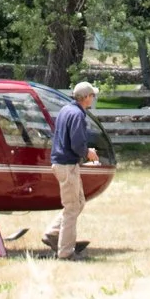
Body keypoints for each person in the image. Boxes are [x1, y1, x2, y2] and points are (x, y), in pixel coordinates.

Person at [43, 82, 100, 259]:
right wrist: (88, 153)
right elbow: (76, 144)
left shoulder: (66, 110)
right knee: (72, 208)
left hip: (63, 164)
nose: (93, 98)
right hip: (67, 165)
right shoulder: (77, 115)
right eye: (93, 95)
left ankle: (53, 233)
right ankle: (66, 252)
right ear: (86, 97)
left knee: (78, 202)